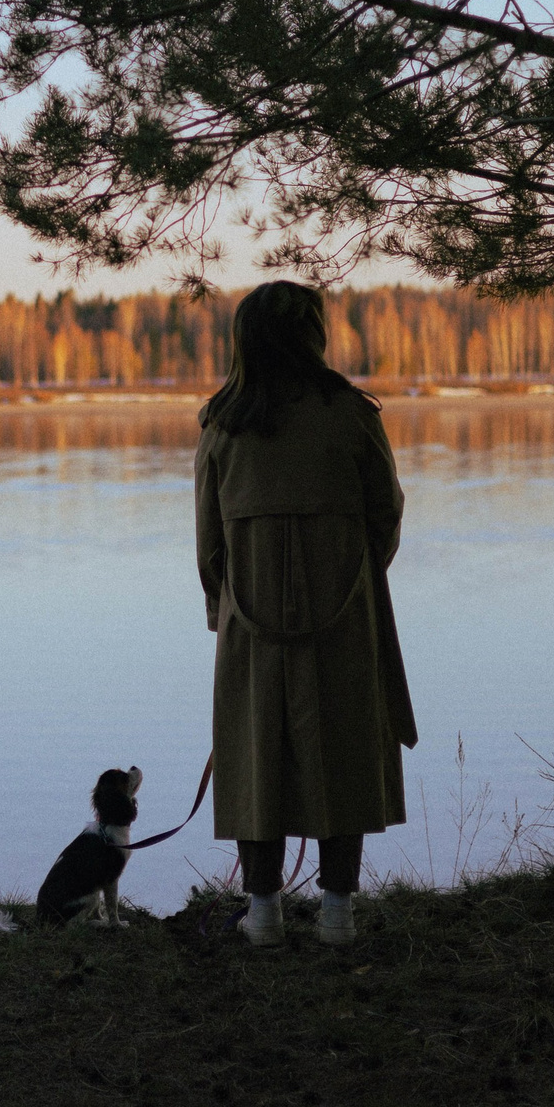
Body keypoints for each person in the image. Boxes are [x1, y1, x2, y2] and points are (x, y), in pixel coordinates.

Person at [195, 281, 416, 947]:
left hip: (250, 617)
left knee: (255, 752)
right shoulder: (351, 412)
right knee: (341, 746)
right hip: (346, 610)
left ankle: (262, 917)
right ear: (311, 334)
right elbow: (386, 514)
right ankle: (337, 916)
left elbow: (209, 542)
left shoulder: (222, 422)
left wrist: (223, 612)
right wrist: (353, 579)